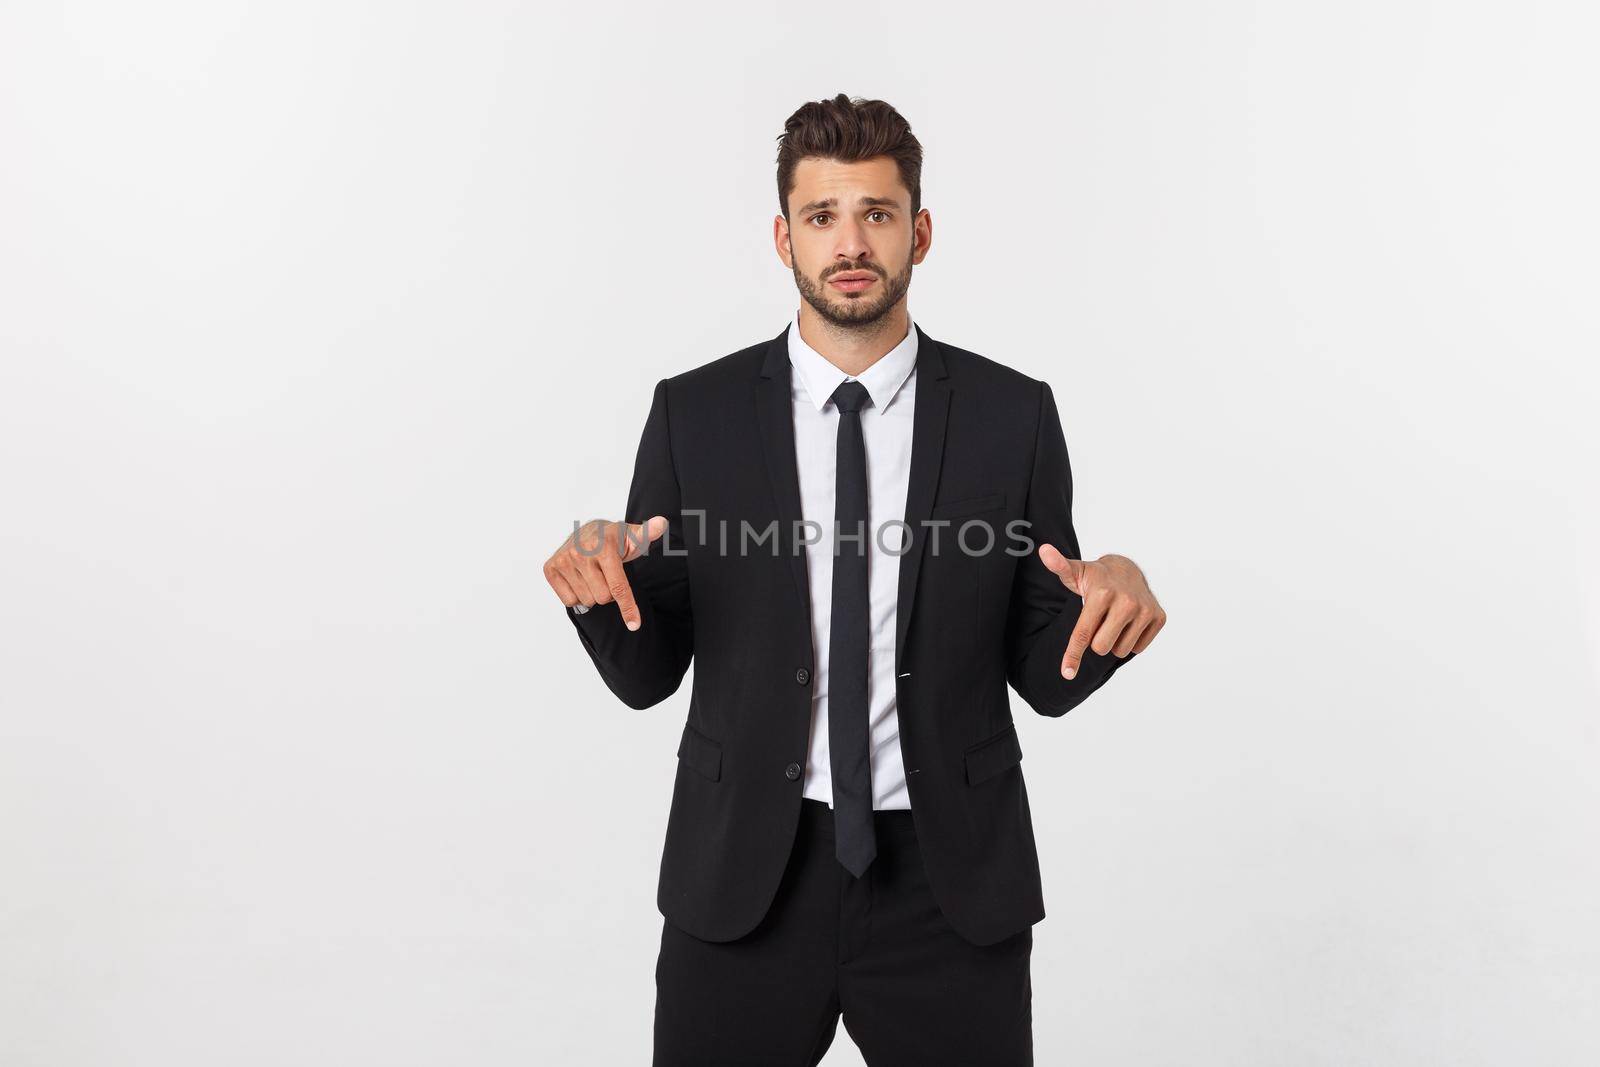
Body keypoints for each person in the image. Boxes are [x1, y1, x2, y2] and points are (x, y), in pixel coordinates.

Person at [543, 93, 1166, 1066]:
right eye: (822, 215)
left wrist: (1110, 606)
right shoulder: (693, 415)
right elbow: (645, 673)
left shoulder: (1013, 416)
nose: (850, 242)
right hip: (746, 875)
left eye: (876, 213)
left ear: (918, 230)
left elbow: (1044, 673)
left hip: (948, 888)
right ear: (781, 235)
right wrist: (592, 588)